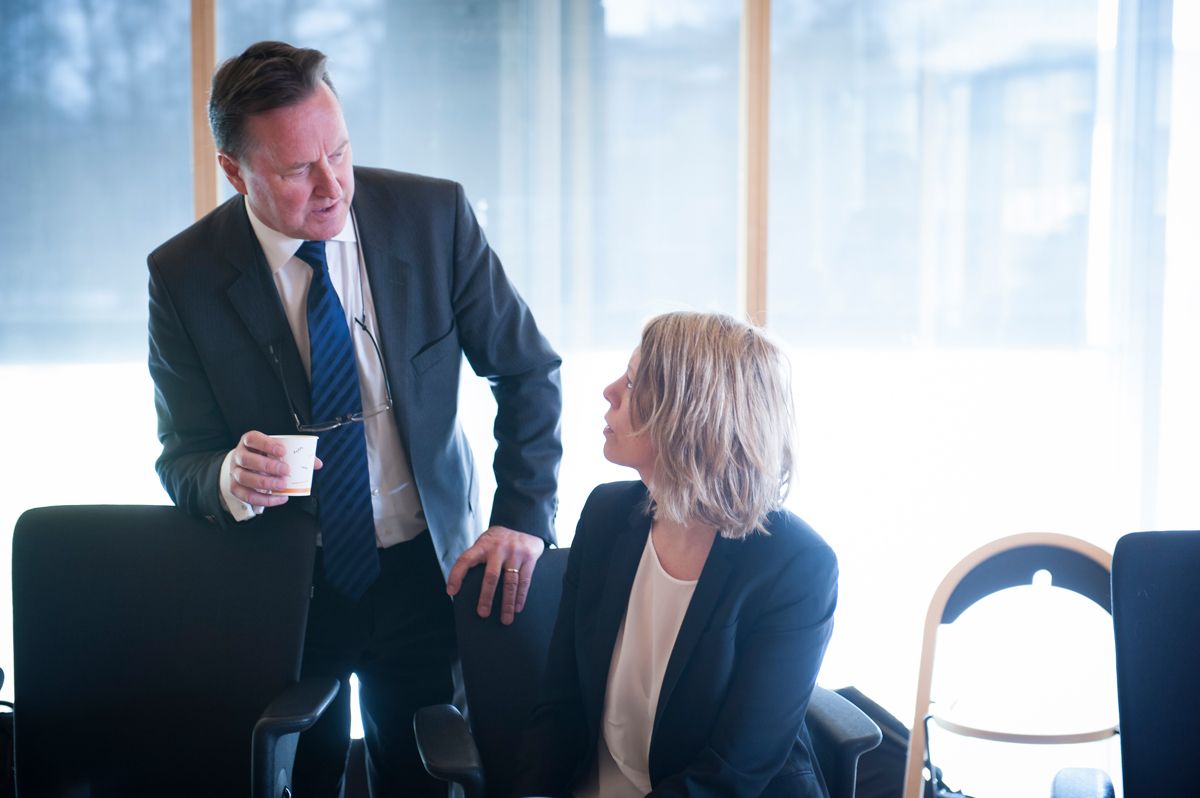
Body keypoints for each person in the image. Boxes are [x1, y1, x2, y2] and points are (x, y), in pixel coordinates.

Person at [147, 41, 562, 797]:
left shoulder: (432, 216)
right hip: (289, 586)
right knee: (299, 776)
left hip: (432, 570)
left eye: (339, 150)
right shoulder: (183, 276)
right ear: (236, 171)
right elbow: (183, 458)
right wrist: (229, 478)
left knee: (425, 775)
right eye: (297, 169)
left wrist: (522, 516)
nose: (333, 185)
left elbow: (528, 370)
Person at [515, 311, 838, 798]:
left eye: (632, 381)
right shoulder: (605, 516)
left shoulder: (797, 567)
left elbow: (731, 774)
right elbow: (558, 711)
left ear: (689, 412)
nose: (609, 392)